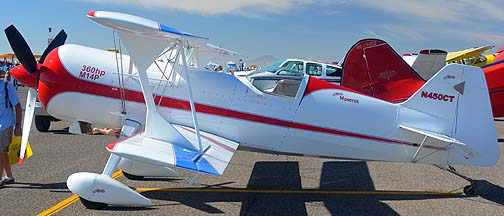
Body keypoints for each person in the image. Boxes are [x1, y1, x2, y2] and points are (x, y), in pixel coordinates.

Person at [0, 70, 22, 187]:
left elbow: (18, 106)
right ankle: (9, 176)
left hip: (5, 124)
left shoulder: (7, 87)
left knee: (1, 151)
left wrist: (18, 125)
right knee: (3, 152)